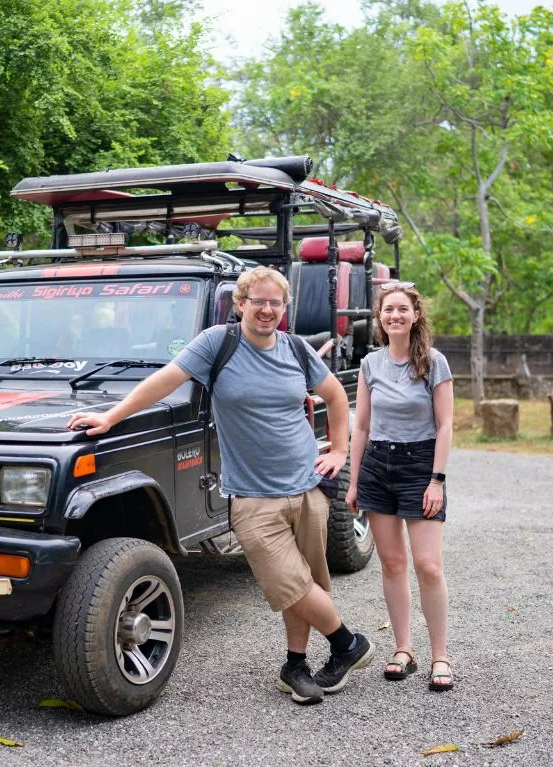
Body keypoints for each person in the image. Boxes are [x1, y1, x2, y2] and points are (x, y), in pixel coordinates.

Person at [67, 266, 373, 705]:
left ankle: (296, 664)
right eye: (259, 301)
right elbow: (164, 381)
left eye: (275, 303)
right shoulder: (218, 344)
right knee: (289, 583)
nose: (267, 310)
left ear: (284, 309)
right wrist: (112, 416)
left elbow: (337, 396)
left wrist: (339, 451)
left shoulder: (295, 349)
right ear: (241, 303)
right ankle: (349, 644)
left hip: (306, 486)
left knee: (305, 580)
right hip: (253, 497)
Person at [347, 281, 455, 692]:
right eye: (387, 310)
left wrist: (437, 481)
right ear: (379, 318)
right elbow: (361, 425)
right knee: (392, 565)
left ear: (415, 316)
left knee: (428, 565)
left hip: (419, 467)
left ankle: (440, 656)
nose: (394, 316)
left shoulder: (433, 362)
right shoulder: (370, 364)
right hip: (377, 467)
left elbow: (445, 425)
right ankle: (403, 650)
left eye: (402, 310)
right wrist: (355, 481)